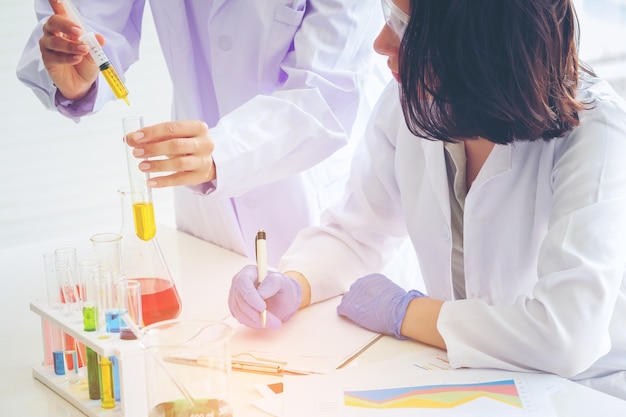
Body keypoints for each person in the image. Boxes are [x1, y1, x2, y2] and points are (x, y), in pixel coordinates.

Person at [228, 0, 626, 400]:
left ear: (479, 39)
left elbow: (566, 334)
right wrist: (293, 283)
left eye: (404, 26)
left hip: (589, 391)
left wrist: (406, 312)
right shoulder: (415, 101)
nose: (381, 43)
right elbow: (356, 234)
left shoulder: (594, 128)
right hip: (476, 378)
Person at [16, 0, 388, 267]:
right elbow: (86, 25)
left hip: (313, 188)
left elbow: (325, 93)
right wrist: (77, 71)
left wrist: (222, 154)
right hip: (204, 205)